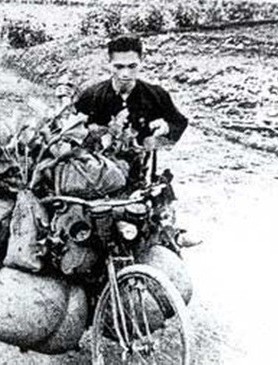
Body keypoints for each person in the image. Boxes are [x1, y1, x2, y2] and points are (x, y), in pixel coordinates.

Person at [67, 34, 199, 247]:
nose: (125, 74)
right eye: (118, 67)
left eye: (132, 66)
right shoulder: (92, 95)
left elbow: (179, 122)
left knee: (151, 220)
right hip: (99, 176)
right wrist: (92, 134)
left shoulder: (156, 95)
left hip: (140, 173)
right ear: (109, 64)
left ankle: (171, 236)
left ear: (141, 63)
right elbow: (70, 130)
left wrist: (165, 130)